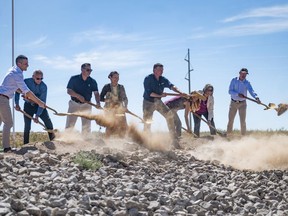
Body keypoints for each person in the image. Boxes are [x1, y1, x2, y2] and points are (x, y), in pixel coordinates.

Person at [0, 55, 46, 153]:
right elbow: (27, 91)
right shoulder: (17, 73)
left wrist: (24, 94)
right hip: (2, 99)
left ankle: (6, 148)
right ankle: (7, 148)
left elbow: (15, 87)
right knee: (8, 123)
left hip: (2, 97)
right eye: (25, 63)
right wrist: (39, 102)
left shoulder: (13, 70)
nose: (28, 65)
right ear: (19, 64)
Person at [143, 63, 186, 148]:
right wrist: (161, 96)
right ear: (154, 70)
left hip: (158, 102)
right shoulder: (148, 79)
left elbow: (171, 86)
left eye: (162, 70)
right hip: (148, 102)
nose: (161, 71)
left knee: (169, 116)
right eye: (159, 70)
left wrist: (180, 92)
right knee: (147, 122)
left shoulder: (163, 79)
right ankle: (146, 142)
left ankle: (174, 140)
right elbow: (150, 93)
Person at [15, 70, 55, 144]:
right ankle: (26, 144)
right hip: (28, 106)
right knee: (27, 126)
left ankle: (53, 141)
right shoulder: (26, 82)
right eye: (37, 78)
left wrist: (37, 115)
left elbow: (42, 102)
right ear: (33, 77)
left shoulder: (44, 87)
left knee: (48, 123)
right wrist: (17, 103)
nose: (39, 80)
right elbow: (17, 91)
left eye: (41, 78)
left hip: (39, 106)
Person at [65, 63, 101, 134]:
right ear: (82, 70)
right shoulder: (73, 79)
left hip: (86, 105)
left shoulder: (92, 81)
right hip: (74, 104)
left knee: (86, 126)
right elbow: (69, 91)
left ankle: (86, 142)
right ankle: (65, 141)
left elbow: (96, 93)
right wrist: (78, 96)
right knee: (70, 124)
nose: (89, 72)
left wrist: (98, 103)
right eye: (88, 70)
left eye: (90, 70)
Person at [227, 68, 261, 135]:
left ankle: (243, 137)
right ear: (239, 73)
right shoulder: (234, 80)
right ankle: (229, 136)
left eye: (245, 74)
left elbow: (252, 91)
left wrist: (256, 97)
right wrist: (238, 94)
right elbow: (230, 91)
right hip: (233, 103)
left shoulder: (247, 83)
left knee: (243, 121)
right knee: (231, 120)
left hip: (243, 104)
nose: (244, 75)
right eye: (242, 73)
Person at [100, 71, 128, 137]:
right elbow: (101, 98)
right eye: (115, 77)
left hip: (119, 109)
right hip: (108, 109)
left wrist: (125, 106)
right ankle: (107, 141)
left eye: (118, 77)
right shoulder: (106, 87)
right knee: (109, 125)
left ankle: (122, 140)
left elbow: (125, 98)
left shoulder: (121, 87)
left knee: (123, 124)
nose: (117, 79)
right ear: (110, 78)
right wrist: (108, 100)